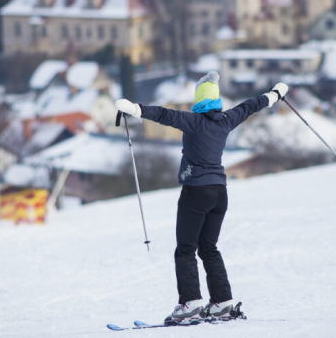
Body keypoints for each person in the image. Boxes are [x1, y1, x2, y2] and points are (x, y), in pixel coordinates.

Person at [114, 72, 288, 323]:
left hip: (196, 192)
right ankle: (222, 302)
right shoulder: (226, 119)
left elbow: (165, 115)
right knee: (208, 247)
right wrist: (274, 95)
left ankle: (190, 303)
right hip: (220, 193)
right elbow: (250, 106)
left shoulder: (194, 121)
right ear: (216, 100)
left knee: (186, 248)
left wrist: (135, 109)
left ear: (199, 99)